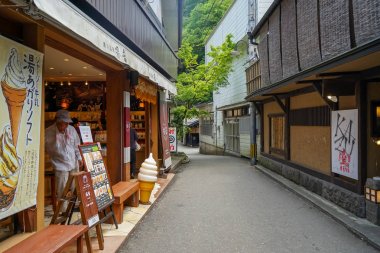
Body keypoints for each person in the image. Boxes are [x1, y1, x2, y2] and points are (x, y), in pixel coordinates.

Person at [45, 110, 83, 212]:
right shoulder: (48, 132)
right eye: (63, 123)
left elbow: (76, 145)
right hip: (59, 163)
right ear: (57, 122)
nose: (65, 125)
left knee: (74, 186)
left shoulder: (71, 130)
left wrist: (79, 157)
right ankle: (63, 210)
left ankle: (73, 207)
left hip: (73, 162)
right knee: (62, 188)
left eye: (67, 123)